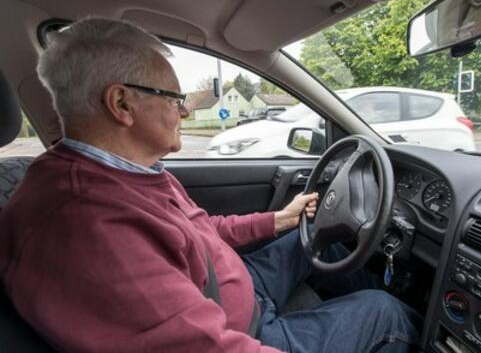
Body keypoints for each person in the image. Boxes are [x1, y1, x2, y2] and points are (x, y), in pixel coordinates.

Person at [0, 17, 421, 352]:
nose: (183, 112)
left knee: (316, 238)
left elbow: (199, 231)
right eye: (174, 98)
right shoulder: (91, 228)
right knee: (383, 313)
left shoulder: (126, 171)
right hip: (242, 329)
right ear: (122, 103)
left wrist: (278, 220)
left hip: (231, 287)